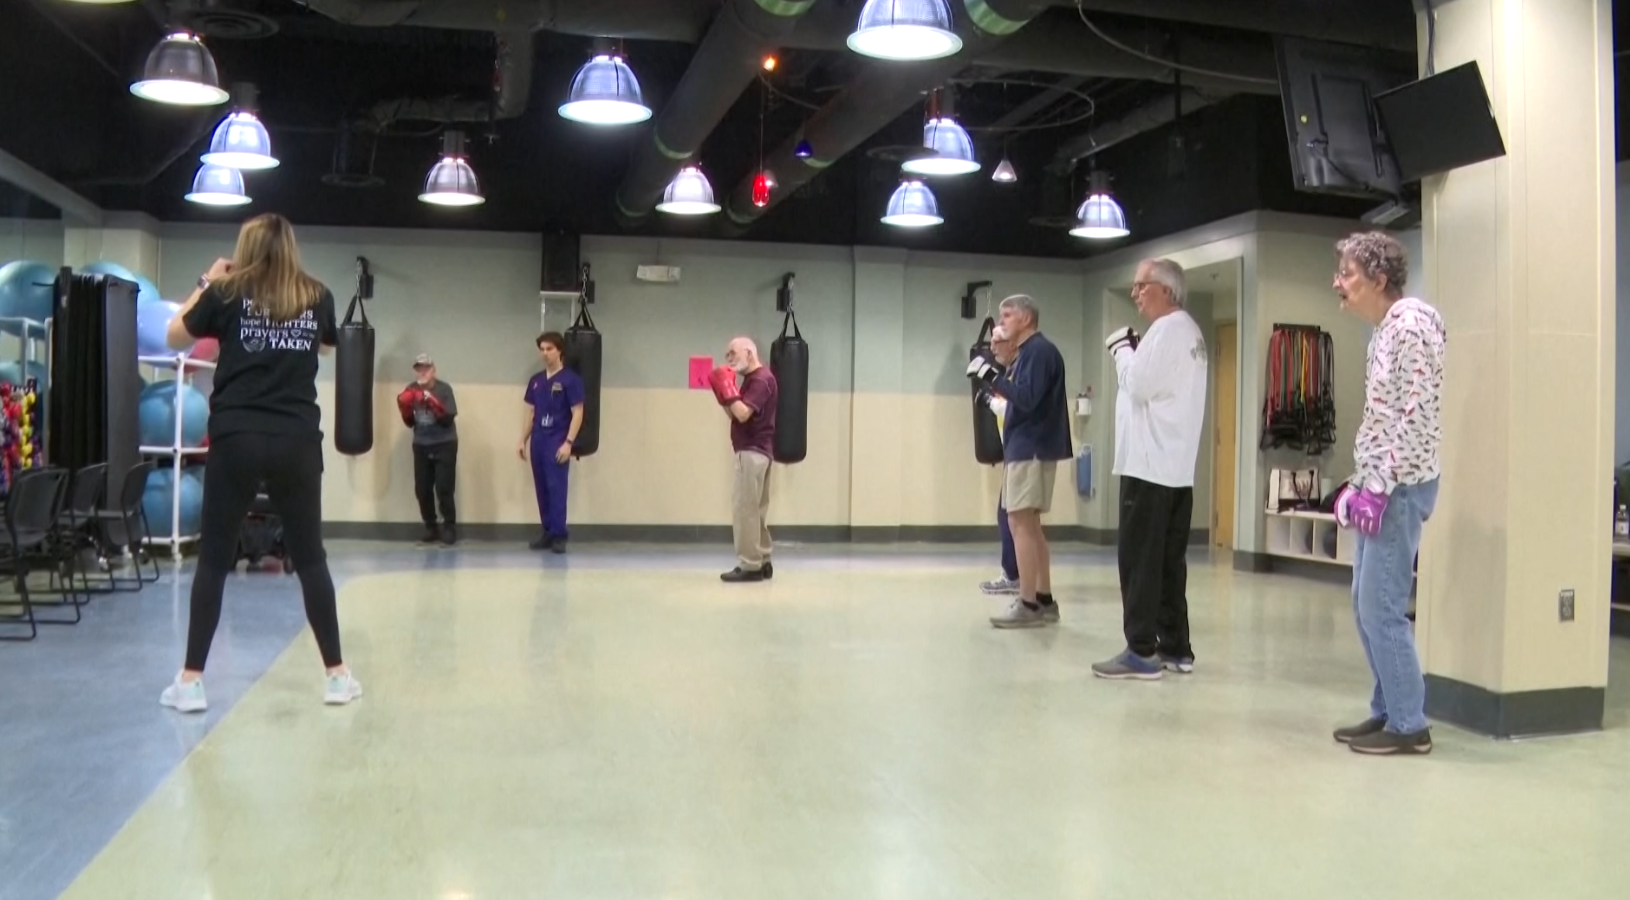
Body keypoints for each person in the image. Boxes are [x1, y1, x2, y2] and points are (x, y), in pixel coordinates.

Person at [159, 212, 361, 712]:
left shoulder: (225, 292)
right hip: (295, 438)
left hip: (237, 435)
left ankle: (190, 682)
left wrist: (209, 279)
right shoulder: (315, 295)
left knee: (213, 557)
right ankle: (337, 676)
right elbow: (330, 346)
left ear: (245, 246)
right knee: (311, 557)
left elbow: (172, 337)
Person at [1329, 231, 1445, 756]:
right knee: (1363, 604)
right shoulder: (1383, 332)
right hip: (1381, 486)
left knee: (1383, 608)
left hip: (1400, 490)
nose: (1338, 283)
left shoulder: (1412, 325)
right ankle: (1387, 708)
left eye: (1348, 273)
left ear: (1379, 279)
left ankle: (1409, 725)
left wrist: (1379, 487)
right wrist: (1355, 485)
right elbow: (1380, 420)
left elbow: (1415, 417)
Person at [1091, 258, 1209, 680]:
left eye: (1142, 286)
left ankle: (1141, 650)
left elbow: (1139, 384)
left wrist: (1122, 351)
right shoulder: (1190, 332)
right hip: (1175, 468)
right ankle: (1176, 647)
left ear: (1167, 289)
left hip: (1148, 466)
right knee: (1167, 563)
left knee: (1140, 561)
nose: (1135, 294)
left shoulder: (1167, 330)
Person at [966, 295, 1072, 627]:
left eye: (1007, 315)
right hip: (1027, 446)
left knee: (1020, 524)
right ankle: (1042, 598)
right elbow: (1024, 395)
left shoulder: (1039, 351)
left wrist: (991, 376)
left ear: (1026, 318)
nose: (1002, 322)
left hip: (1032, 447)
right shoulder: (1028, 353)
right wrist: (999, 366)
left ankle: (1028, 603)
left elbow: (1025, 399)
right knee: (1029, 525)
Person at [708, 336, 778, 582]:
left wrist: (727, 389)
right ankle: (763, 560)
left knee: (745, 509)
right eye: (727, 355)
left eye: (732, 353)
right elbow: (735, 415)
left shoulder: (760, 379)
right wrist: (722, 395)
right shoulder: (752, 380)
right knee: (755, 511)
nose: (729, 359)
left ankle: (750, 565)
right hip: (758, 451)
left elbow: (743, 413)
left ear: (749, 353)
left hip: (752, 452)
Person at [519, 331, 584, 553]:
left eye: (550, 349)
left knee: (557, 487)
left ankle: (559, 534)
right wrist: (522, 439)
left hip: (557, 440)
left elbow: (578, 412)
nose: (545, 353)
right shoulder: (536, 381)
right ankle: (547, 531)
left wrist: (568, 442)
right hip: (538, 439)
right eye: (542, 349)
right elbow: (530, 413)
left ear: (560, 351)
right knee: (542, 488)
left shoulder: (570, 380)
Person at [397, 353, 459, 545]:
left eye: (426, 368)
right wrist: (404, 408)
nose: (422, 372)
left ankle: (449, 527)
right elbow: (409, 423)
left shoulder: (444, 389)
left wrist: (432, 401)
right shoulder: (410, 389)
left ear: (433, 370)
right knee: (422, 489)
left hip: (444, 443)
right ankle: (431, 528)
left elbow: (448, 418)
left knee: (444, 488)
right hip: (421, 444)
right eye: (419, 369)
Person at [976, 328, 1020, 595]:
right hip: (1012, 452)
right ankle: (1018, 577)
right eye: (990, 343)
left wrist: (990, 400)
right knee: (1011, 517)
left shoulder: (1016, 374)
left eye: (997, 342)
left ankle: (1016, 577)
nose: (992, 348)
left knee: (1012, 518)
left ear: (1012, 344)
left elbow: (1017, 407)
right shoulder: (1008, 374)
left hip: (1023, 453)